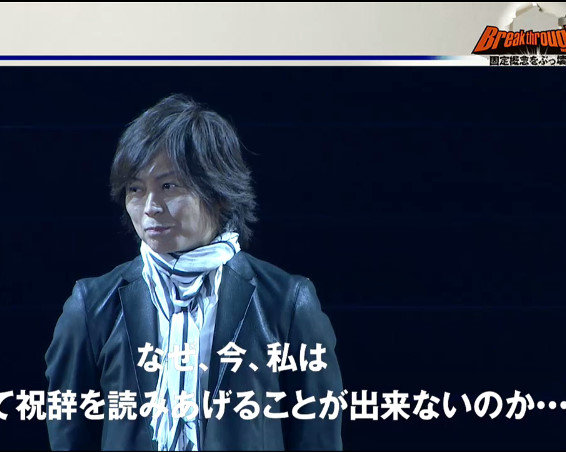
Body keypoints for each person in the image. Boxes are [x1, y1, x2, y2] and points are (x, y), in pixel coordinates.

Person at [45, 94, 343, 451]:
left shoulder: (286, 302)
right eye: (136, 189)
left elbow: (317, 436)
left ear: (219, 193)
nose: (150, 207)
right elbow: (69, 431)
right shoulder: (92, 305)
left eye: (168, 186)